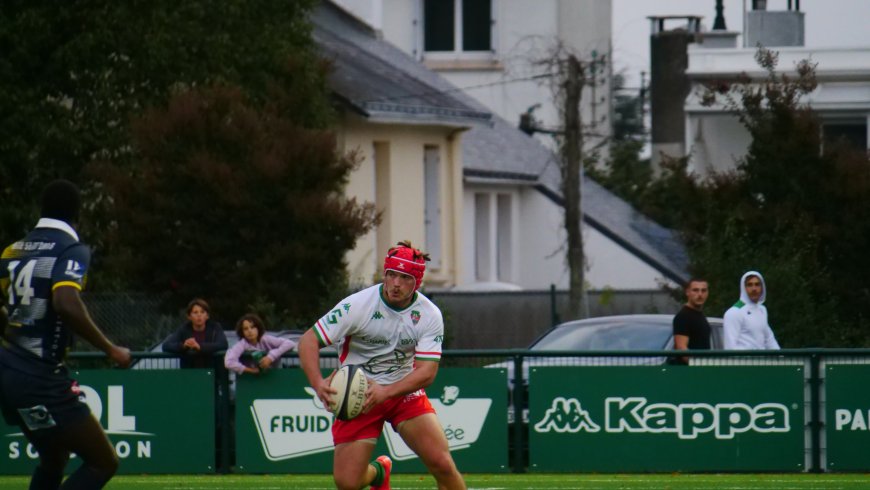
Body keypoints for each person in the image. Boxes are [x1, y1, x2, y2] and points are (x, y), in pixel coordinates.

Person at [299, 241, 466, 490]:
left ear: (417, 282)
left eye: (405, 278)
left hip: (402, 392)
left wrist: (386, 392)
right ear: (385, 274)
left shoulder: (429, 314)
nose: (396, 283)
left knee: (442, 464)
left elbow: (427, 372)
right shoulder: (357, 305)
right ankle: (379, 472)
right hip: (359, 395)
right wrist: (317, 382)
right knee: (347, 483)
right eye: (392, 275)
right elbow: (308, 340)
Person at [0, 179, 132, 489]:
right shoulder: (71, 249)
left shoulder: (13, 250)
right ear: (77, 214)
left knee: (54, 456)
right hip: (41, 377)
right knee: (103, 462)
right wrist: (111, 349)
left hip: (7, 371)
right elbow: (65, 302)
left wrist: (9, 328)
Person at [162, 298, 228, 369]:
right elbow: (166, 345)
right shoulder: (184, 329)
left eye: (202, 312)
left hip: (211, 373)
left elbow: (223, 344)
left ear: (207, 316)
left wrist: (200, 347)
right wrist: (183, 346)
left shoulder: (215, 327)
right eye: (195, 312)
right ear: (189, 316)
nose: (199, 315)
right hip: (190, 374)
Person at [723, 270, 781, 350]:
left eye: (757, 284)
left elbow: (769, 339)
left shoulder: (762, 310)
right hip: (745, 362)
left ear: (762, 287)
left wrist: (781, 358)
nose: (754, 289)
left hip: (762, 361)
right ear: (743, 287)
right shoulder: (733, 312)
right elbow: (730, 348)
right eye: (749, 285)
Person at [224, 313, 296, 375]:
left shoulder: (266, 339)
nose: (249, 331)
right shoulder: (241, 344)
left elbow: (290, 343)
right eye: (245, 329)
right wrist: (251, 371)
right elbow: (229, 362)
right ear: (242, 332)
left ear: (258, 328)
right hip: (251, 382)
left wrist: (271, 357)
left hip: (274, 378)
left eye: (252, 327)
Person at [670, 278, 711, 365]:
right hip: (689, 373)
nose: (700, 294)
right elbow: (681, 348)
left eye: (703, 290)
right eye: (695, 290)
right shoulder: (683, 317)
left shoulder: (700, 315)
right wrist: (698, 365)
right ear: (687, 292)